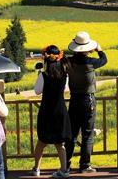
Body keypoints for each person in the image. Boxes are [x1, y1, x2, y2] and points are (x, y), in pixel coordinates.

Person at [65, 32, 108, 174]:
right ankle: (84, 165)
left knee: (72, 134)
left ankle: (65, 163)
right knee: (87, 134)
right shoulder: (91, 62)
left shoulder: (69, 61)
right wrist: (99, 49)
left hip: (74, 100)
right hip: (88, 100)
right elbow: (104, 60)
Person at [32, 46, 72, 178]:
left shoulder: (44, 75)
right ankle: (64, 170)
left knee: (41, 142)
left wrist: (39, 76)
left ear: (46, 62)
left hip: (46, 111)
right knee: (60, 144)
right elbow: (66, 90)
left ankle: (36, 168)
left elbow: (37, 91)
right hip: (60, 111)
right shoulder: (64, 76)